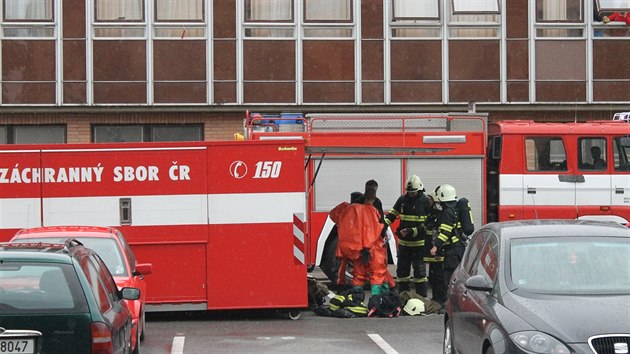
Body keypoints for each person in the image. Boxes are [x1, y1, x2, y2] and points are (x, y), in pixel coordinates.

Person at [331, 188, 390, 295]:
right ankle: (379, 300)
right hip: (371, 249)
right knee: (378, 274)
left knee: (358, 276)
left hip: (356, 251)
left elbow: (334, 216)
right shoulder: (371, 211)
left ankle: (357, 300)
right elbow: (375, 230)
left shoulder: (346, 210)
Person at [385, 175, 431, 296]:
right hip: (404, 244)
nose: (411, 194)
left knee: (420, 274)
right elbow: (392, 215)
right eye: (409, 192)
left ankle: (421, 298)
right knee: (402, 273)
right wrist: (383, 226)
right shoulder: (402, 200)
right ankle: (403, 296)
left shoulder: (426, 202)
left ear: (420, 189)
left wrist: (412, 231)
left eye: (414, 192)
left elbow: (430, 224)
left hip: (419, 245)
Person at [430, 184, 466, 296]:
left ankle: (451, 304)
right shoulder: (455, 209)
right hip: (459, 248)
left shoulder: (446, 212)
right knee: (458, 278)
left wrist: (436, 246)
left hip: (452, 252)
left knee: (450, 279)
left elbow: (445, 232)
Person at [424, 186, 447, 305]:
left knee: (439, 277)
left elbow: (440, 234)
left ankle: (440, 300)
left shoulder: (440, 215)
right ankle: (436, 298)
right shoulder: (431, 215)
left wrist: (436, 247)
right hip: (433, 251)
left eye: (431, 200)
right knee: (433, 277)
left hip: (439, 251)